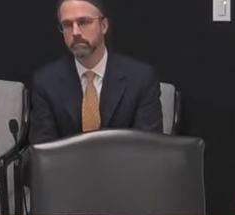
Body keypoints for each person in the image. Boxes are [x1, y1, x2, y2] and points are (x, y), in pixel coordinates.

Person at [29, 0, 163, 144]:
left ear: (103, 26)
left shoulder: (141, 78)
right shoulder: (46, 81)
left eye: (84, 22)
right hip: (67, 166)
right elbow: (42, 149)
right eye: (67, 25)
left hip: (125, 165)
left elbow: (148, 147)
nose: (75, 32)